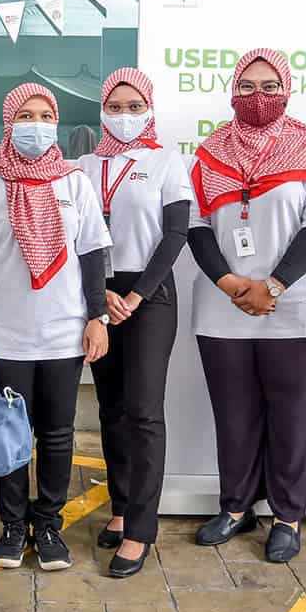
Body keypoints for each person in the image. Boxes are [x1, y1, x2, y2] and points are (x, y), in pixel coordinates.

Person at [186, 48, 306, 565]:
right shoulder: (209, 153)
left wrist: (272, 286)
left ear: (287, 90)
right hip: (223, 308)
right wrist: (231, 282)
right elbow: (195, 225)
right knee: (234, 416)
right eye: (248, 86)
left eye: (269, 86)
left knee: (293, 417)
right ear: (233, 91)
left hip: (297, 309)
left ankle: (287, 516)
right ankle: (236, 507)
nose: (258, 96)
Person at [0, 83, 111, 572]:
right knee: (9, 436)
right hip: (7, 337)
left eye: (46, 115)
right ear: (9, 122)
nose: (37, 124)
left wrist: (97, 317)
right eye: (26, 115)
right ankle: (11, 526)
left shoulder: (74, 182)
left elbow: (92, 256)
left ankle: (47, 524)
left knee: (58, 434)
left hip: (64, 334)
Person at [75, 68, 189, 578]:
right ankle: (120, 508)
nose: (124, 115)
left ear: (149, 109)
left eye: (134, 106)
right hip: (98, 291)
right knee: (111, 408)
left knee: (143, 411)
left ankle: (140, 529)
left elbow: (176, 234)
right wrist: (100, 295)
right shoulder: (84, 166)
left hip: (150, 294)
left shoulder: (166, 161)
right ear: (102, 111)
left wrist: (136, 295)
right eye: (115, 107)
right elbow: (77, 235)